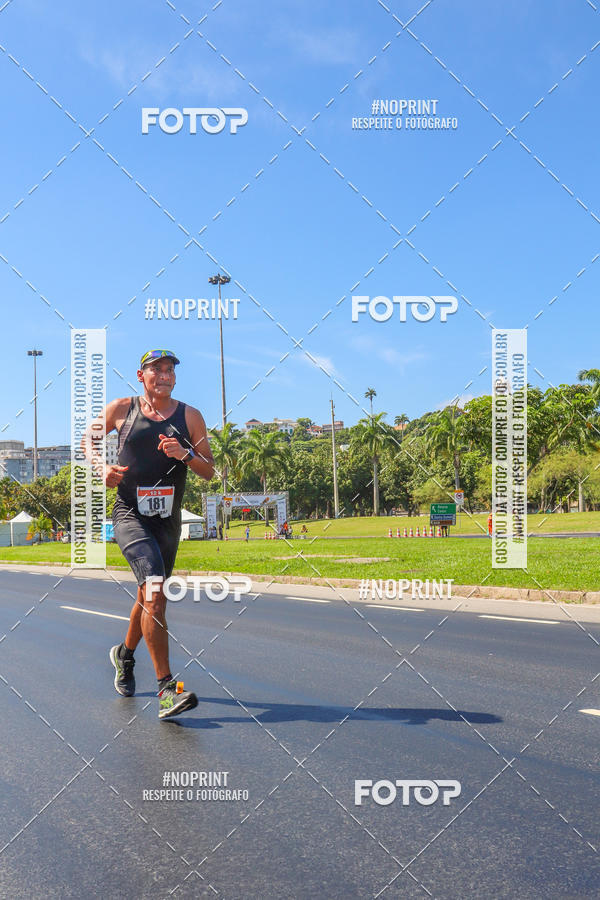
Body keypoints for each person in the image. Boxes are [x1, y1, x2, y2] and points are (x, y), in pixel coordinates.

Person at [90, 350, 214, 719]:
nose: (164, 374)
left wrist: (185, 453)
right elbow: (88, 439)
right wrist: (101, 467)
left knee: (149, 595)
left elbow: (208, 471)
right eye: (155, 369)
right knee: (156, 590)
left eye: (170, 370)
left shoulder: (190, 416)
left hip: (167, 521)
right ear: (140, 376)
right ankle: (166, 690)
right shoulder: (120, 409)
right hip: (130, 514)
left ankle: (124, 656)